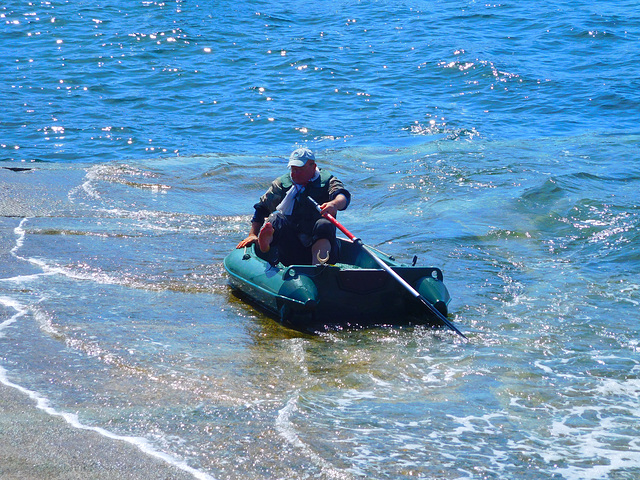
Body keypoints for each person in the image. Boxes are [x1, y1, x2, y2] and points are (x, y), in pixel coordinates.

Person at [236, 148, 350, 266]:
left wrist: (334, 204)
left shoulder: (327, 181)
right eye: (292, 169)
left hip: (320, 244)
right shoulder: (282, 184)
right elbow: (262, 208)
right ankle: (265, 245)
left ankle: (317, 267)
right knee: (276, 219)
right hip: (291, 244)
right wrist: (253, 234)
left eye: (299, 170)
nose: (294, 173)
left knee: (324, 224)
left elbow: (342, 196)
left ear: (313, 166)